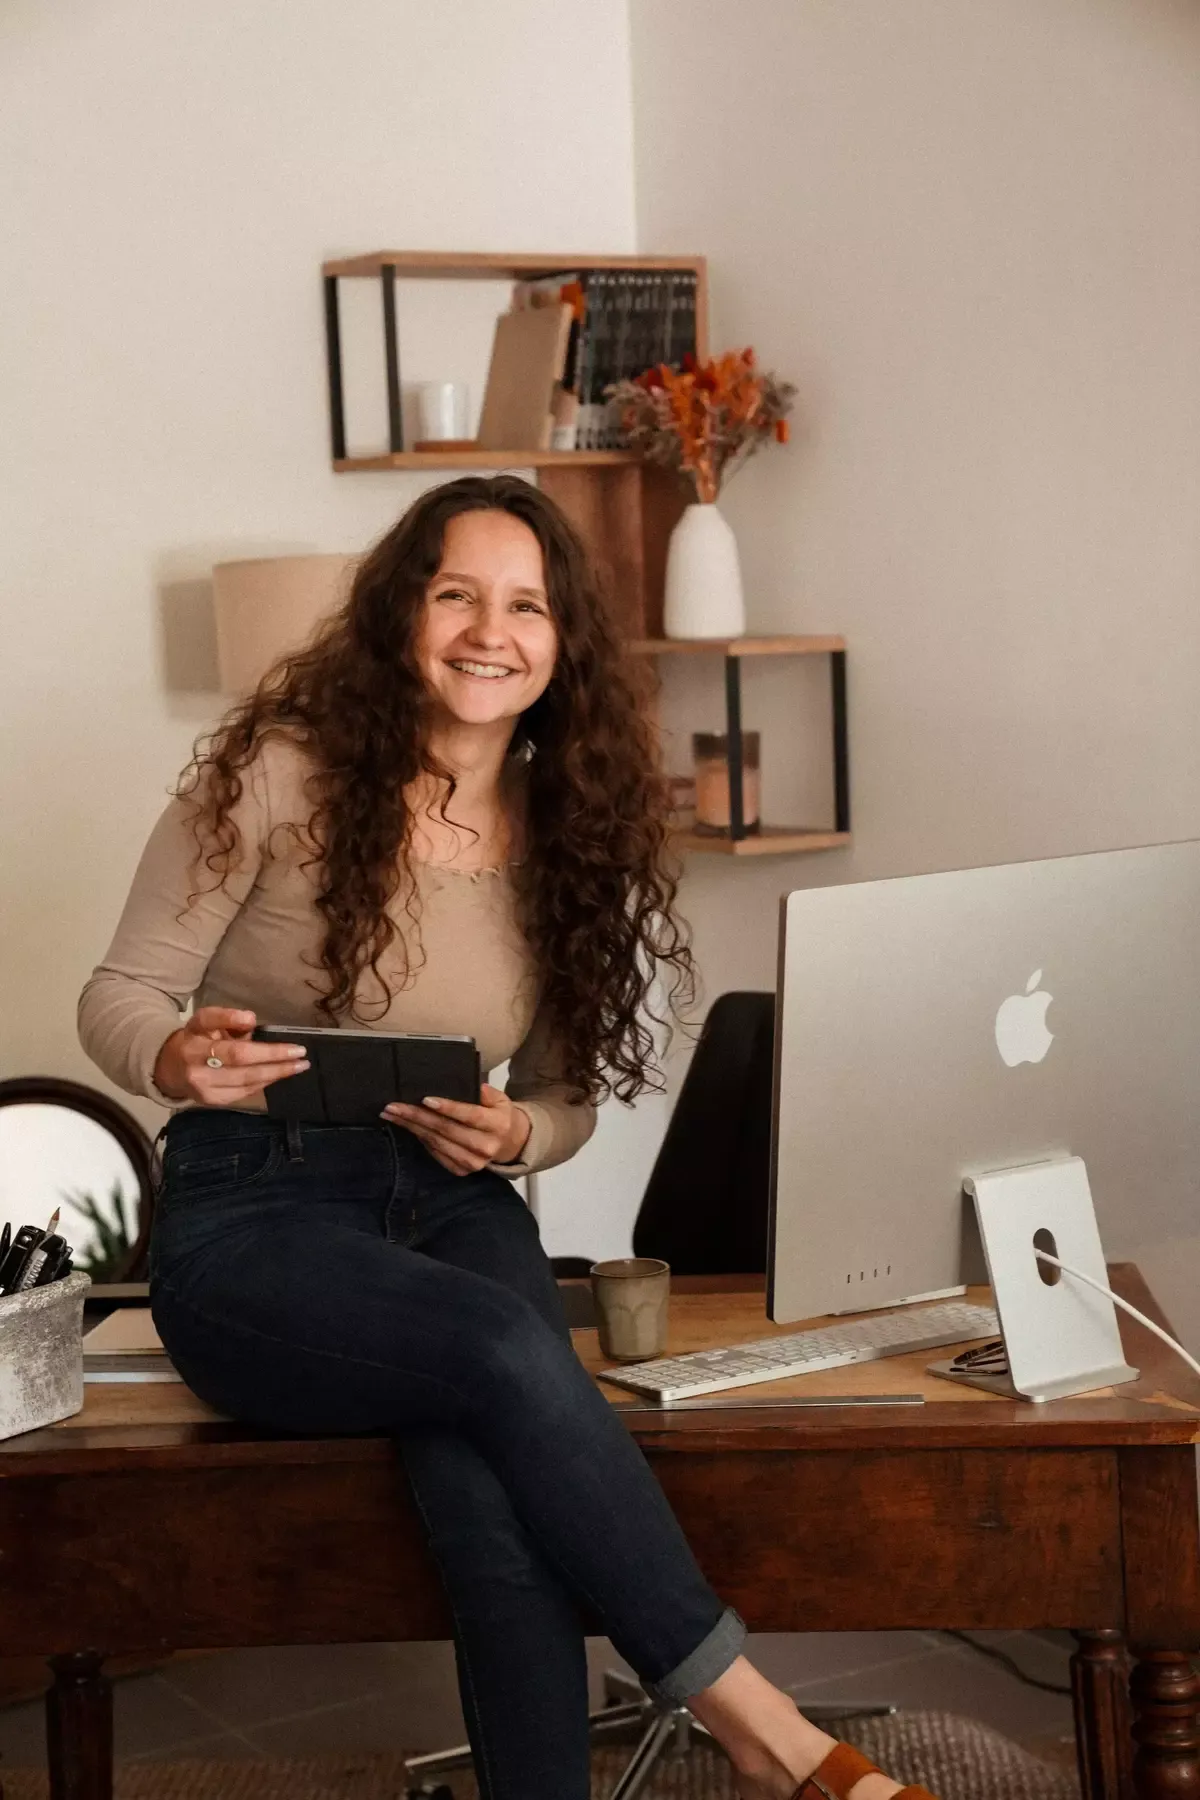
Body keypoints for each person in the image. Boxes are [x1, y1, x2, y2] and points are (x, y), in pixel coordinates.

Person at [79, 475, 934, 1800]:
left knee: (490, 1507)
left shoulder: (571, 826)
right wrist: (178, 1053)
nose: (492, 631)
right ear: (401, 616)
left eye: (526, 603)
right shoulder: (269, 776)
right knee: (503, 1346)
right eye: (457, 594)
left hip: (453, 1200)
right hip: (256, 1208)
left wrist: (516, 1131)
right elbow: (119, 995)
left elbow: (567, 1091)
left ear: (562, 640)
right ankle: (761, 1726)